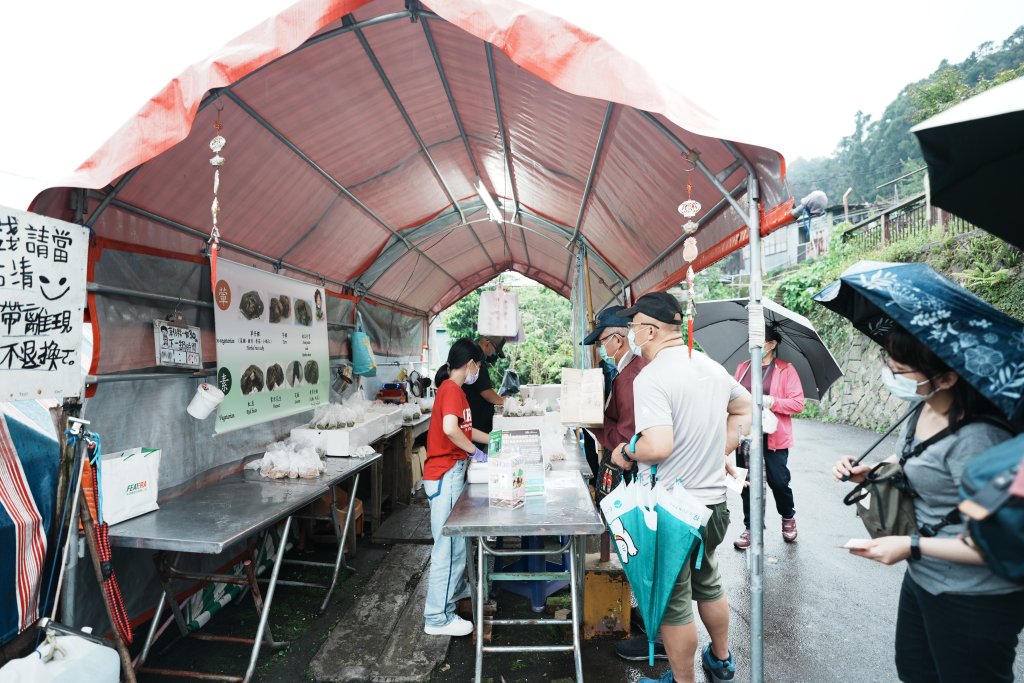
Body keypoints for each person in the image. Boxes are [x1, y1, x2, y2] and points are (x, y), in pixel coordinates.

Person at [833, 329, 1024, 682]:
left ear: (948, 377)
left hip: (976, 596)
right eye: (887, 362)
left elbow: (995, 541)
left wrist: (909, 544)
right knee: (915, 671)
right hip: (925, 577)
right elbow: (912, 460)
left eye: (900, 369)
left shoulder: (979, 441)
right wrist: (871, 472)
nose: (890, 373)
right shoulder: (921, 404)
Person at [610, 292, 751, 683]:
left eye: (634, 326)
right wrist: (721, 446)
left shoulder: (652, 376)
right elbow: (745, 408)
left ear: (651, 329)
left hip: (673, 513)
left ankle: (683, 680)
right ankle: (721, 660)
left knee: (673, 602)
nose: (631, 334)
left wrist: (626, 449)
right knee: (708, 583)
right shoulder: (710, 367)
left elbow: (658, 446)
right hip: (715, 507)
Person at [422, 338, 491, 636]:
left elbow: (463, 429)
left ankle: (456, 593)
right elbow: (451, 430)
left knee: (456, 544)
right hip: (446, 472)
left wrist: (493, 440)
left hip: (449, 473)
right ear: (472, 364)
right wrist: (475, 452)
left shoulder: (455, 391)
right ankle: (437, 618)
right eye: (479, 365)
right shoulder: (451, 389)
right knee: (448, 547)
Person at [732, 324, 804, 549]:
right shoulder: (743, 368)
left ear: (772, 344)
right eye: (751, 339)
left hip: (773, 437)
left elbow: (797, 403)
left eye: (759, 340)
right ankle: (750, 527)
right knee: (746, 482)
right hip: (744, 435)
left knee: (779, 481)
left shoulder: (785, 370)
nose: (753, 345)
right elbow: (731, 396)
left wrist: (771, 400)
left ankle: (787, 516)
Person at [463, 335, 506, 449]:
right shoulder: (477, 362)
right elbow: (486, 392)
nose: (494, 355)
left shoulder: (478, 361)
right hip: (476, 423)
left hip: (476, 429)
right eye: (495, 350)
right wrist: (503, 401)